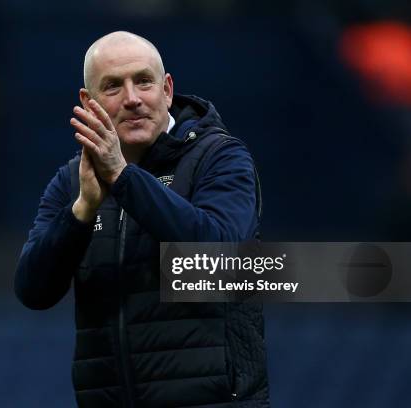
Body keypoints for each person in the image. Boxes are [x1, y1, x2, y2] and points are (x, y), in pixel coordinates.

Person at [15, 31, 269, 407]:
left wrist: (123, 177)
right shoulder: (73, 182)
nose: (132, 99)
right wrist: (82, 212)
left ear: (167, 89)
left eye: (144, 82)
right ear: (89, 102)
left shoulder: (220, 157)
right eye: (113, 86)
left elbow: (220, 257)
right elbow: (33, 291)